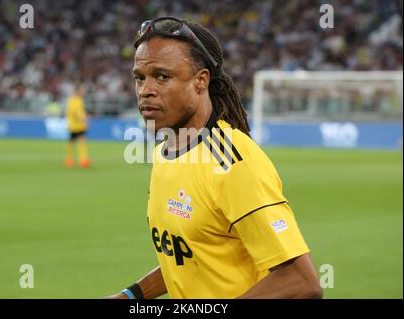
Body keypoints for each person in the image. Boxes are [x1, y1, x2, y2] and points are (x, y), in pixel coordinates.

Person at [107, 17, 322, 299]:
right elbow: (193, 253)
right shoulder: (166, 150)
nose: (146, 90)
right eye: (140, 77)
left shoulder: (232, 162)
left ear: (201, 81)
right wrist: (131, 296)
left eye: (162, 76)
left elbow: (301, 282)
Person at [65, 84, 91, 168]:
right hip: (78, 125)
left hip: (73, 125)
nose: (82, 92)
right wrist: (84, 120)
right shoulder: (77, 100)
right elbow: (77, 113)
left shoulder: (71, 100)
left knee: (73, 142)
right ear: (77, 91)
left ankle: (69, 159)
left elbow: (69, 112)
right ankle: (82, 160)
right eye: (81, 91)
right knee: (80, 141)